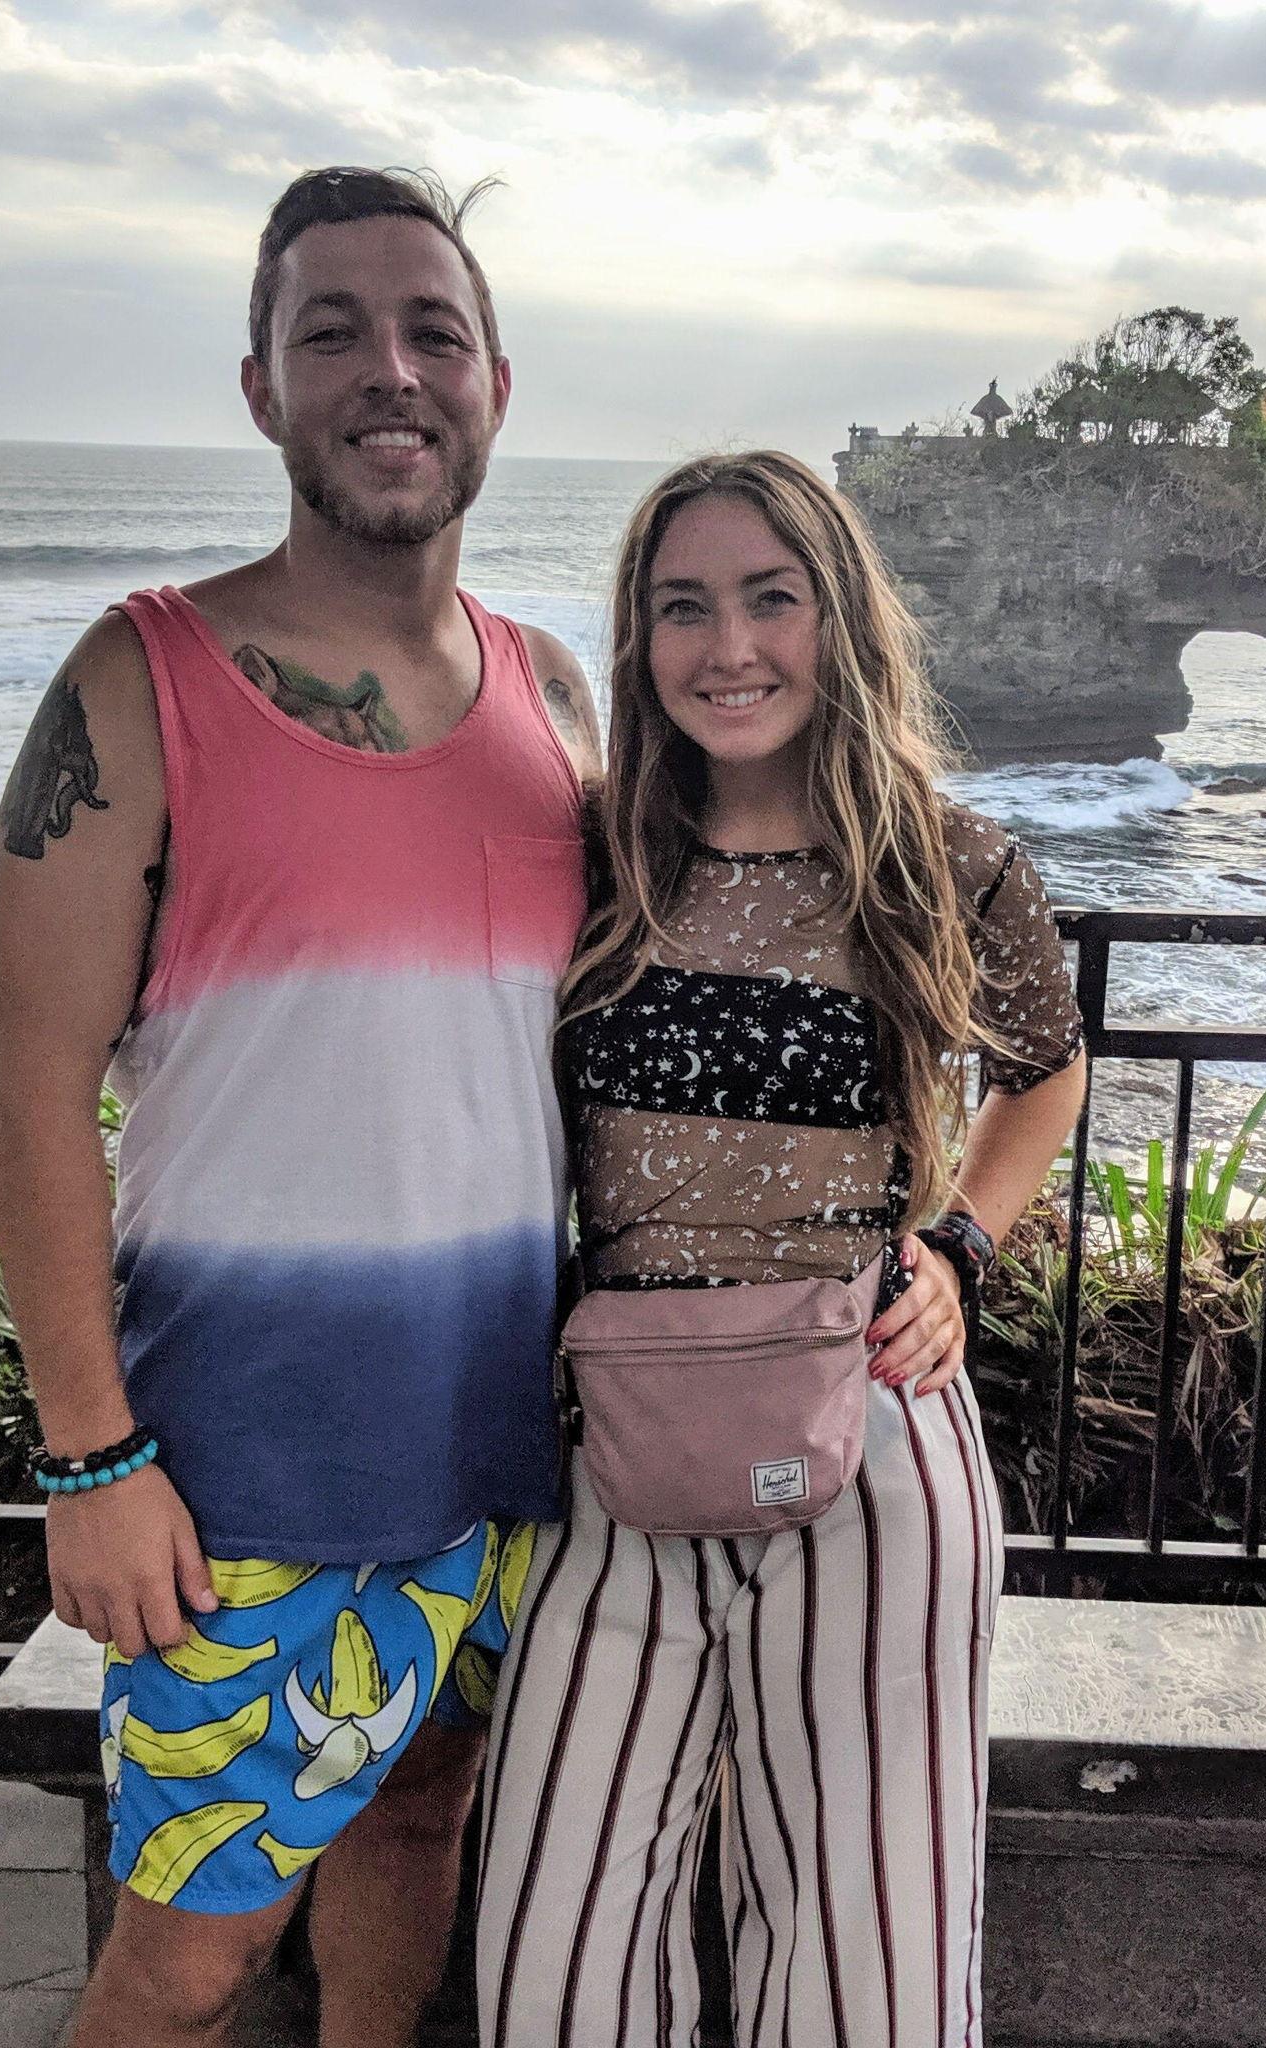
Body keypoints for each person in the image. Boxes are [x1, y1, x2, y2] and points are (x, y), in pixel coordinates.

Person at [0, 166, 604, 2047]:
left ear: (497, 383)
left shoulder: (558, 696)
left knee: (416, 1829)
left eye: (432, 331)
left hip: (503, 1457)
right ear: (261, 388)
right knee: (190, 1964)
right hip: (243, 1476)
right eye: (331, 331)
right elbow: (28, 1096)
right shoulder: (139, 682)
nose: (388, 370)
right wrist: (89, 1461)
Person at [473, 450, 1088, 2044]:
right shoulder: (591, 854)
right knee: (553, 1966)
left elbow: (1046, 1066)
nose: (729, 646)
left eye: (771, 598)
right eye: (685, 607)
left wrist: (958, 1247)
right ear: (640, 637)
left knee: (869, 1976)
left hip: (871, 1432)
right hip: (615, 1446)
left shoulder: (946, 864)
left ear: (840, 620)